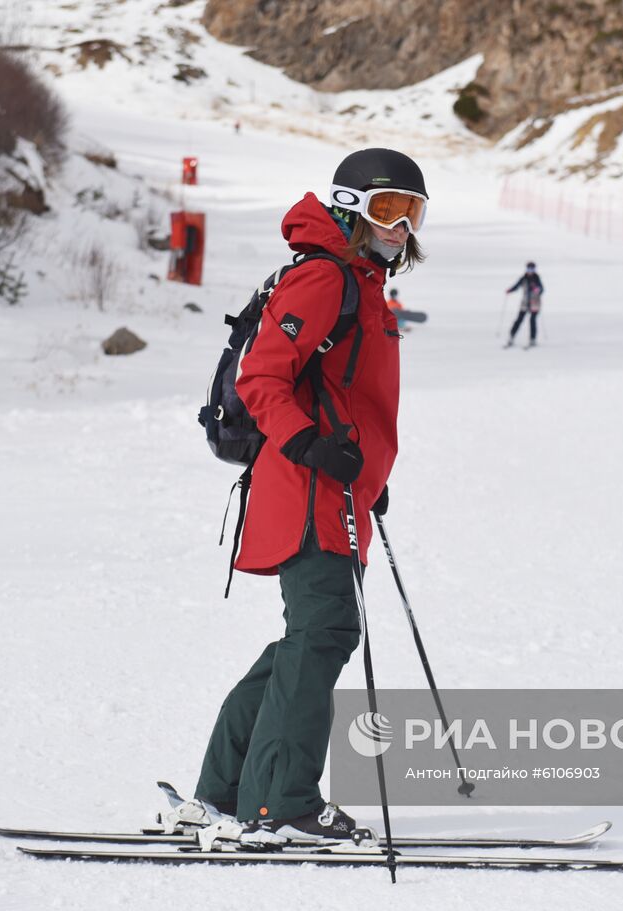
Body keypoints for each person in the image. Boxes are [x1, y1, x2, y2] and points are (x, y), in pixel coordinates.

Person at [180, 148, 428, 844]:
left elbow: (349, 398)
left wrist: (368, 480)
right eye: (387, 209)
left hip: (337, 490)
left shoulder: (360, 281)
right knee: (324, 631)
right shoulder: (325, 278)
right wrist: (308, 445)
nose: (400, 227)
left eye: (412, 212)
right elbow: (263, 376)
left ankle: (227, 790)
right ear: (350, 207)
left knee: (308, 637)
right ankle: (280, 802)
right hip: (306, 488)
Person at [505, 261, 543, 348]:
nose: (530, 271)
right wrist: (510, 290)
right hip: (525, 302)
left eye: (532, 269)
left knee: (532, 320)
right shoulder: (523, 278)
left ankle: (532, 339)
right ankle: (511, 336)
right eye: (529, 269)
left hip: (535, 302)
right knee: (519, 319)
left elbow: (541, 289)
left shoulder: (537, 278)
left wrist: (537, 290)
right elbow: (516, 286)